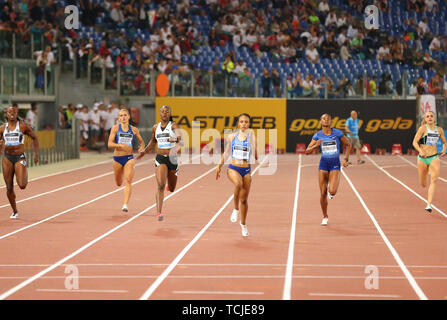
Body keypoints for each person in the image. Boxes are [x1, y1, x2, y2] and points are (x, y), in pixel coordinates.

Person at [137, 105, 182, 221]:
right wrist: (144, 152)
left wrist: (172, 139)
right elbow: (153, 141)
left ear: (170, 114)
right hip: (160, 158)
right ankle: (159, 212)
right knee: (160, 185)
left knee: (171, 188)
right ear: (160, 114)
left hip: (172, 159)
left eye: (167, 112)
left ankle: (169, 184)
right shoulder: (155, 127)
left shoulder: (173, 125)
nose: (164, 113)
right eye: (162, 112)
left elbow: (180, 138)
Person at [305, 114, 352, 226]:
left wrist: (345, 159)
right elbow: (307, 151)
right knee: (322, 194)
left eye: (328, 118)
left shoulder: (337, 133)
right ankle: (325, 216)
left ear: (330, 121)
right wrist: (315, 145)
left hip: (335, 164)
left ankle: (332, 190)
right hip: (323, 164)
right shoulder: (317, 135)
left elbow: (348, 145)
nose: (326, 120)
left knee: (332, 191)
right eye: (324, 118)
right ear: (320, 121)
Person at [216, 113, 258, 237]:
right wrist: (219, 166)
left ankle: (243, 225)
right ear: (238, 124)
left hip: (246, 170)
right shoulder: (232, 136)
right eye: (241, 121)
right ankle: (235, 209)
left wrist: (253, 146)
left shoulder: (252, 136)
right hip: (233, 168)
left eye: (246, 122)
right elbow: (227, 152)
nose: (244, 124)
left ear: (249, 124)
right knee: (238, 184)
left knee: (244, 200)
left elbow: (255, 155)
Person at [0, 106, 39, 218]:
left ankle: (24, 170)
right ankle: (15, 210)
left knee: (22, 185)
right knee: (9, 187)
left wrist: (36, 154)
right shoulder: (2, 128)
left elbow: (34, 138)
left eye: (14, 112)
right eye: (10, 112)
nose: (12, 114)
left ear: (17, 114)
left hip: (19, 157)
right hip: (7, 158)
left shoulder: (22, 126)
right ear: (6, 114)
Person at [107, 108, 145, 212]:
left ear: (128, 117)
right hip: (117, 159)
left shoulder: (134, 129)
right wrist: (120, 146)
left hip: (129, 158)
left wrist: (142, 147)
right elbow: (109, 144)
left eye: (125, 115)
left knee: (128, 180)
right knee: (119, 183)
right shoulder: (115, 129)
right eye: (121, 115)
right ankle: (120, 176)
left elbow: (142, 142)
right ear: (118, 118)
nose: (123, 117)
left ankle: (125, 205)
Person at [412, 111, 446, 213]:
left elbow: (444, 142)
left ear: (434, 118)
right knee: (423, 184)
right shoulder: (422, 129)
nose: (430, 117)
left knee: (434, 180)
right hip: (422, 158)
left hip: (434, 157)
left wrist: (444, 149)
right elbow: (414, 142)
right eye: (427, 116)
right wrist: (420, 151)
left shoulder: (439, 130)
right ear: (425, 119)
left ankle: (429, 204)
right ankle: (424, 177)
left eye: (431, 116)